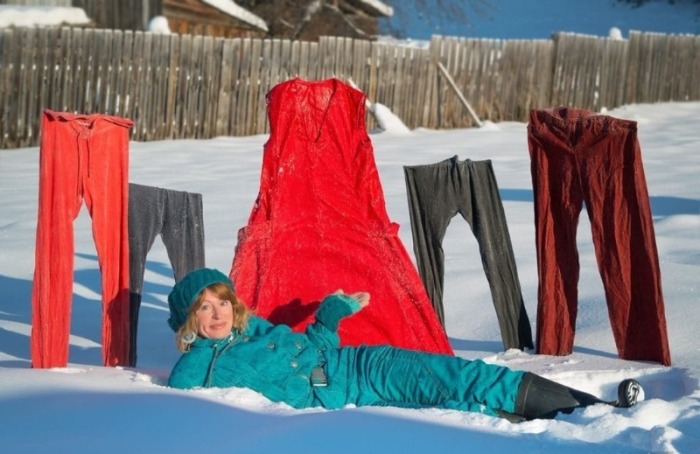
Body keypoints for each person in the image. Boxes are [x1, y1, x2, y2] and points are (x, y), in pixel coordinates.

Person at [166, 268, 643, 422]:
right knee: (457, 404)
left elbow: (308, 347)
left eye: (222, 302)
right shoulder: (198, 369)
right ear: (190, 320)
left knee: (464, 374)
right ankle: (576, 419)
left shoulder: (256, 329)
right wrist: (318, 394)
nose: (218, 313)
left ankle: (597, 407)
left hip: (358, 362)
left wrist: (329, 316)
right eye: (205, 308)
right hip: (348, 394)